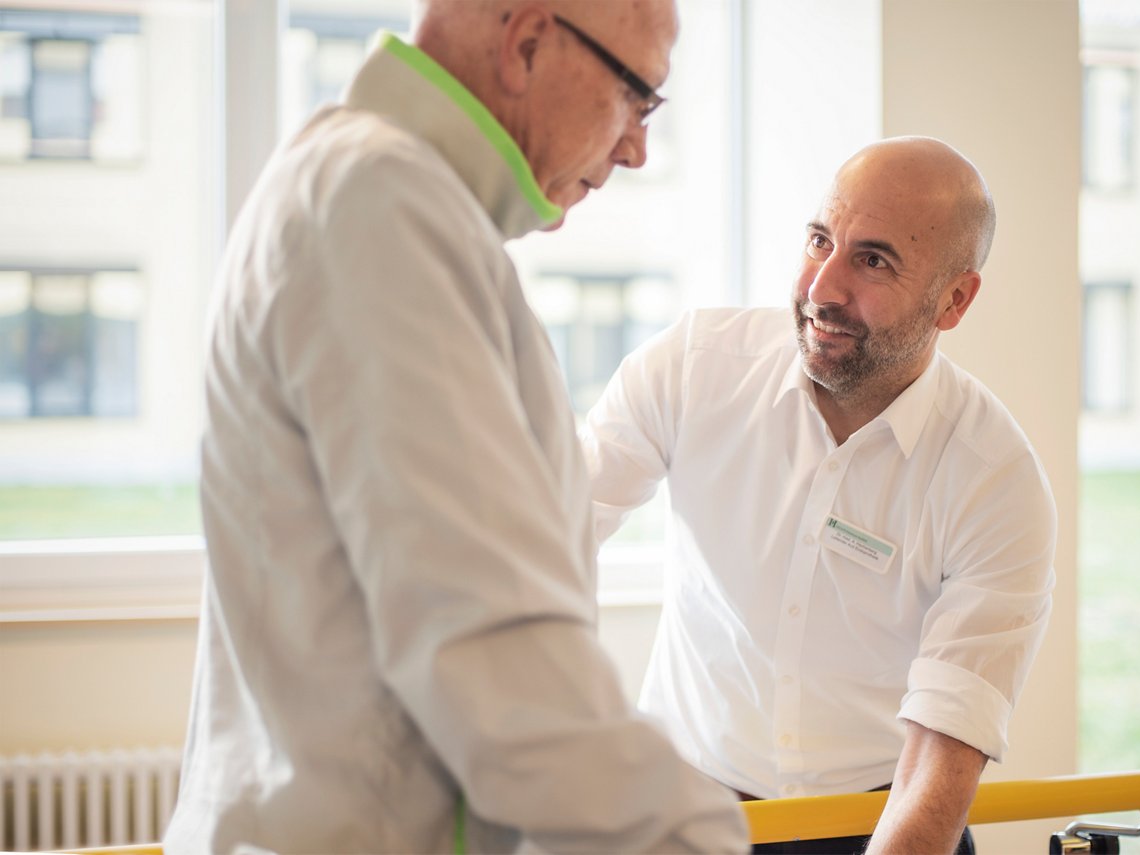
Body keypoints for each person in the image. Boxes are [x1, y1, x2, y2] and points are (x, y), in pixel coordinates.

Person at [164, 1, 750, 852]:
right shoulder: (382, 200)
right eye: (638, 97)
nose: (636, 148)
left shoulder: (386, 197)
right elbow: (494, 653)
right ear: (526, 42)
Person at [582, 136, 1057, 855]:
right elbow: (546, 532)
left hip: (884, 822)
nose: (822, 288)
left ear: (953, 298)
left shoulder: (995, 478)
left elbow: (942, 756)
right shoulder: (695, 366)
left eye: (873, 260)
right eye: (818, 240)